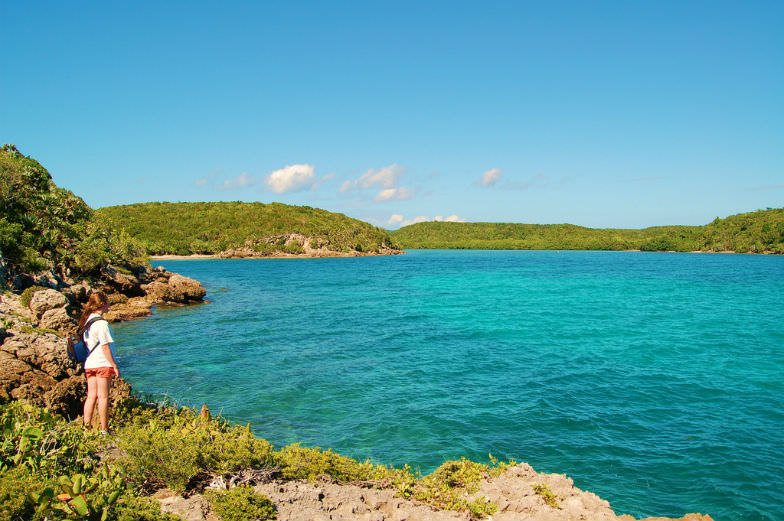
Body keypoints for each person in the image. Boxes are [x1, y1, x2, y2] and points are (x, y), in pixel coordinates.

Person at [78, 291, 120, 434]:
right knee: (103, 397)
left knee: (91, 396)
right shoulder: (101, 324)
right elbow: (105, 346)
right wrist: (114, 365)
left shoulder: (87, 321)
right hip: (102, 363)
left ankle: (86, 428)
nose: (109, 305)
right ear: (103, 304)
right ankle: (104, 429)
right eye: (108, 302)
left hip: (90, 364)